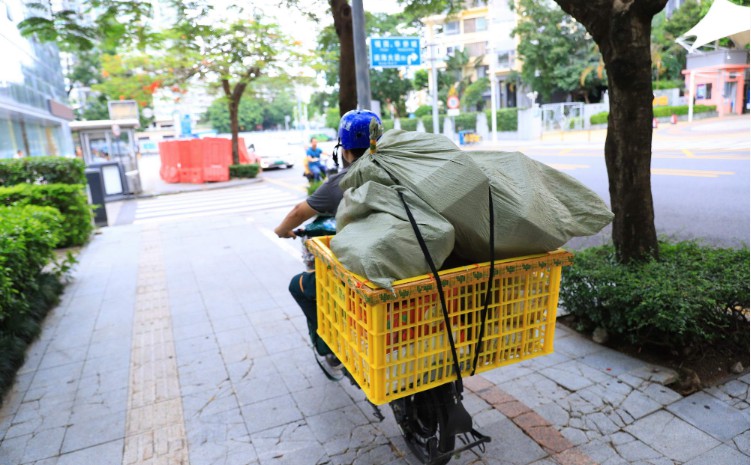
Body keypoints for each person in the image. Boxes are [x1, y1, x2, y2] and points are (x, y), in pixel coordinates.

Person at [274, 109, 382, 376]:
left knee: (299, 286)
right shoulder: (399, 169)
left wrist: (281, 230)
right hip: (403, 258)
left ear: (344, 150)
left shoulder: (342, 181)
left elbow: (299, 213)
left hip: (360, 270)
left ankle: (330, 349)